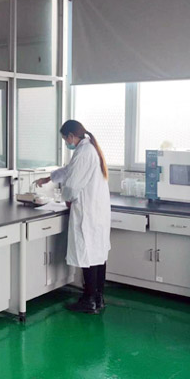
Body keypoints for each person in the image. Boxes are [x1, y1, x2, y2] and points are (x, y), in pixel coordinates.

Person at [37, 120, 111, 314]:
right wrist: (49, 178)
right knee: (97, 255)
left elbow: (72, 184)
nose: (66, 143)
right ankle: (98, 298)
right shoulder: (89, 149)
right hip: (97, 211)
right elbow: (70, 171)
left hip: (88, 211)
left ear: (71, 136)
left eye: (65, 139)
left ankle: (88, 301)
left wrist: (66, 198)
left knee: (89, 255)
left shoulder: (84, 152)